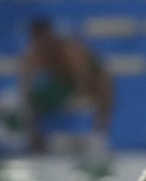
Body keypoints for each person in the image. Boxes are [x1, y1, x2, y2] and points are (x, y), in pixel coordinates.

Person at [18, 17, 113, 153]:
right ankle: (36, 140)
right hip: (62, 85)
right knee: (29, 100)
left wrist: (78, 92)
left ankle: (100, 135)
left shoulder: (69, 49)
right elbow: (25, 77)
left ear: (49, 35)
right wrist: (26, 94)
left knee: (106, 87)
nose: (42, 43)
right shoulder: (35, 53)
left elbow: (84, 72)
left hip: (86, 83)